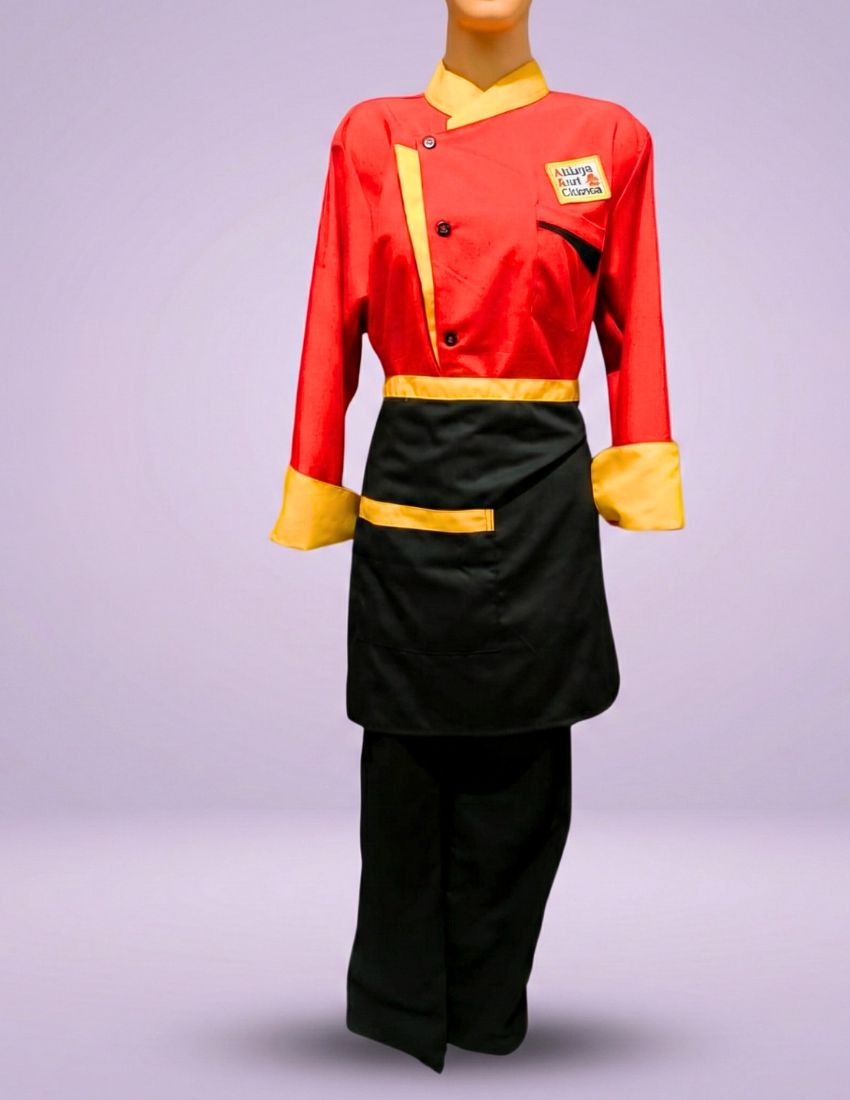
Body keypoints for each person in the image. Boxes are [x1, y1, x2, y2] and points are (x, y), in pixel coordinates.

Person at [270, 0, 683, 1073]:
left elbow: (634, 316)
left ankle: (491, 1001)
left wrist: (639, 463)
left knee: (529, 751)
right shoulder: (373, 132)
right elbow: (330, 310)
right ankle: (400, 1005)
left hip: (545, 474)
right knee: (407, 749)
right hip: (417, 462)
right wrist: (315, 473)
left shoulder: (608, 137)